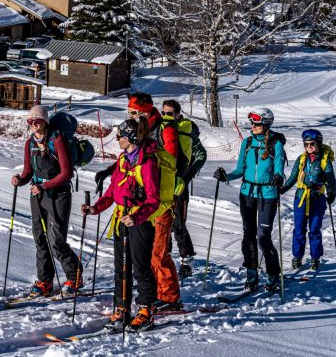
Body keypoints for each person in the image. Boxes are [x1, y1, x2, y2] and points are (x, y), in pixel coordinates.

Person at [95, 92, 181, 311]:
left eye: (133, 112)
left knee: (155, 255)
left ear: (144, 111)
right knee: (136, 259)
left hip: (159, 200)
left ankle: (167, 298)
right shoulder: (133, 133)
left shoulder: (163, 129)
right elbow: (129, 159)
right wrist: (112, 172)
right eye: (128, 111)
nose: (130, 115)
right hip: (135, 202)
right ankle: (150, 297)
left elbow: (170, 164)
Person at [82, 118, 160, 333]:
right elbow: (112, 192)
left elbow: (154, 199)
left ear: (131, 138)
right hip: (120, 219)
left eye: (120, 137)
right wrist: (95, 208)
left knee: (140, 267)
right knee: (121, 268)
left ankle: (145, 311)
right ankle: (121, 309)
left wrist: (137, 217)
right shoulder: (123, 160)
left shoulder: (148, 163)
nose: (117, 140)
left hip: (139, 222)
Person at [10, 105, 81, 297]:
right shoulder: (29, 143)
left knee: (56, 239)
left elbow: (66, 174)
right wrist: (19, 179)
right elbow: (28, 172)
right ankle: (45, 280)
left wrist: (45, 186)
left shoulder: (57, 141)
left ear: (45, 122)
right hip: (37, 194)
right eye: (30, 121)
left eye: (37, 121)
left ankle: (74, 276)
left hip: (58, 194)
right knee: (40, 237)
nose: (33, 125)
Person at [214, 108, 285, 292]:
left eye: (257, 123)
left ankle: (272, 274)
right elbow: (239, 170)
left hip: (267, 195)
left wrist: (278, 178)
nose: (253, 126)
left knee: (263, 238)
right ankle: (251, 273)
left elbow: (279, 169)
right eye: (252, 123)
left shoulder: (275, 144)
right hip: (247, 194)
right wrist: (225, 177)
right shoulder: (247, 143)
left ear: (266, 124)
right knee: (248, 235)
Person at [162, 99, 208, 279]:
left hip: (180, 185)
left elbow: (202, 154)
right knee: (161, 223)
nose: (166, 117)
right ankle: (164, 257)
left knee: (178, 224)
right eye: (163, 113)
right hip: (161, 185)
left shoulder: (186, 132)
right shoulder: (160, 129)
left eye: (170, 114)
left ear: (178, 115)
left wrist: (188, 176)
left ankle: (186, 260)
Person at [280, 129, 336, 271]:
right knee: (299, 229)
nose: (309, 147)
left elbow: (331, 179)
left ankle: (315, 257)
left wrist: (332, 193)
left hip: (317, 199)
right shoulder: (301, 159)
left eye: (312, 144)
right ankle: (297, 257)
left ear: (319, 143)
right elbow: (293, 178)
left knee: (314, 229)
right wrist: (281, 190)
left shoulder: (324, 160)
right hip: (301, 199)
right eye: (306, 144)